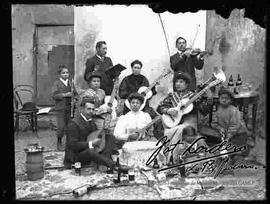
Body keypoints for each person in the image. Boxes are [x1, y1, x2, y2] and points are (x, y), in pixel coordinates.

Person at [156, 72, 211, 163]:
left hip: (189, 124)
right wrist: (168, 110)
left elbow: (204, 110)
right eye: (176, 82)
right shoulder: (171, 96)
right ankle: (172, 159)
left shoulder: (193, 96)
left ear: (187, 84)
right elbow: (159, 108)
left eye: (181, 82)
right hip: (173, 124)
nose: (178, 84)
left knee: (191, 135)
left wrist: (207, 96)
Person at [64, 97, 118, 170]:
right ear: (81, 109)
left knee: (110, 137)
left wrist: (104, 131)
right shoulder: (73, 124)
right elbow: (73, 145)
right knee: (90, 151)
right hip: (77, 155)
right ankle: (113, 165)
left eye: (93, 109)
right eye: (88, 109)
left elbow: (95, 135)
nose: (91, 111)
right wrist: (91, 144)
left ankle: (104, 160)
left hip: (91, 149)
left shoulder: (91, 120)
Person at [118, 60, 163, 139]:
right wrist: (135, 94)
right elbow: (121, 93)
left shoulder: (144, 79)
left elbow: (149, 95)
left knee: (157, 119)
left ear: (140, 69)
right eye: (135, 67)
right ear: (132, 68)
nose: (136, 69)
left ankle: (158, 139)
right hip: (130, 106)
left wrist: (153, 88)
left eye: (138, 68)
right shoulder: (126, 79)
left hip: (144, 106)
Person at [211, 87, 249, 164]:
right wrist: (219, 128)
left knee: (227, 150)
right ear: (219, 99)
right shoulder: (218, 110)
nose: (224, 100)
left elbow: (235, 126)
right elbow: (214, 123)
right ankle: (233, 155)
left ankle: (237, 156)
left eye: (227, 98)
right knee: (222, 150)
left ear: (231, 100)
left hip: (239, 134)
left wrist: (228, 137)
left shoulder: (233, 110)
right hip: (228, 135)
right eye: (222, 98)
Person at [52, 65, 78, 151]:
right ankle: (59, 140)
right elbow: (54, 95)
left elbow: (76, 94)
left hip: (70, 108)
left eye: (67, 73)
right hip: (61, 108)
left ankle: (69, 143)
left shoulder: (71, 83)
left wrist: (75, 99)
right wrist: (64, 95)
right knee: (61, 126)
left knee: (70, 126)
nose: (65, 74)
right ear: (59, 74)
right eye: (63, 73)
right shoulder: (56, 83)